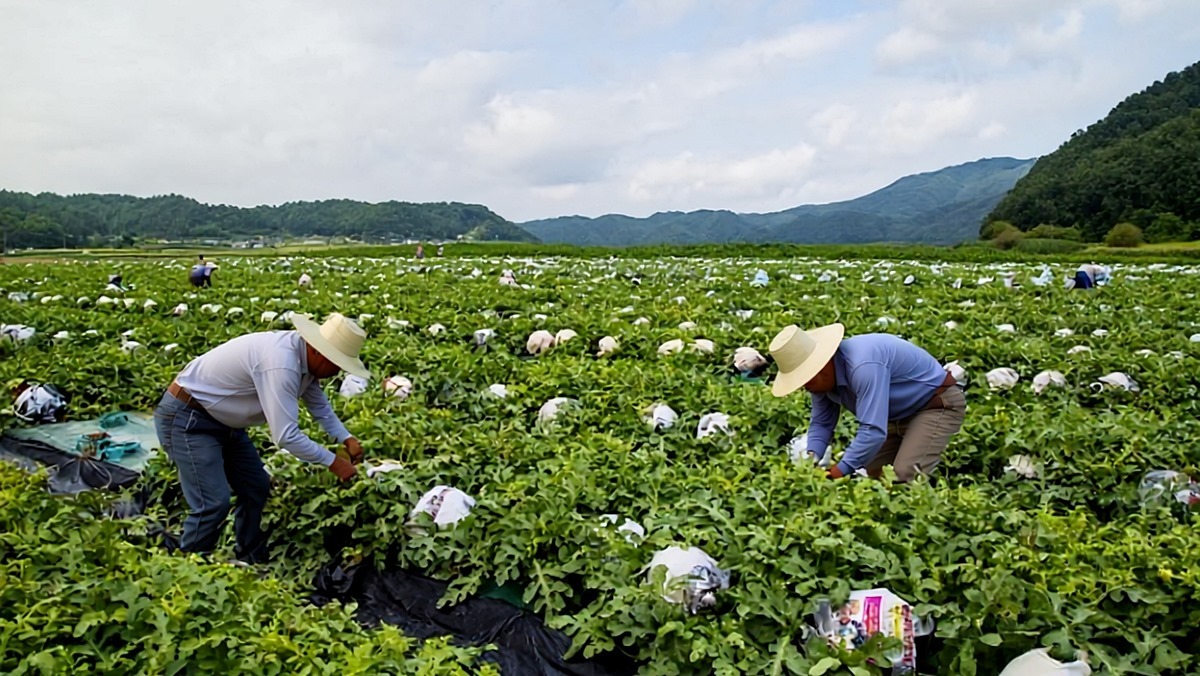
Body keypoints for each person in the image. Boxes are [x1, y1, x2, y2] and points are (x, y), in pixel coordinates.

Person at [153, 312, 370, 564]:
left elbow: (319, 405)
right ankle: (190, 566)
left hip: (223, 422)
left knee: (256, 487)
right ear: (319, 352)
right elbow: (286, 436)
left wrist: (346, 438)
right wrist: (333, 462)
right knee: (212, 502)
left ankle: (248, 557)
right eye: (337, 363)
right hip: (189, 418)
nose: (337, 371)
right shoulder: (281, 363)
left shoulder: (305, 361)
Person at [769, 324, 964, 482]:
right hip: (895, 417)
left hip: (935, 405)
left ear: (822, 366)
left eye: (806, 379)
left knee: (903, 476)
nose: (805, 387)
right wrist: (811, 459)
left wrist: (837, 472)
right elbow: (822, 423)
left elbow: (873, 430)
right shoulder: (820, 382)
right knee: (868, 475)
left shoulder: (862, 366)